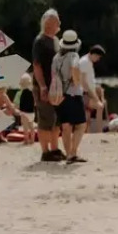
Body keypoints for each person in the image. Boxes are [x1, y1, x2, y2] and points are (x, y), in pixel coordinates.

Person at [32, 8, 64, 162]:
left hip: (56, 87)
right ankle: (45, 151)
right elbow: (37, 66)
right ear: (47, 23)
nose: (58, 24)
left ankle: (54, 148)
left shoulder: (56, 41)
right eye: (55, 21)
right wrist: (42, 86)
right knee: (45, 118)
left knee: (56, 119)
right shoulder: (40, 41)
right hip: (44, 86)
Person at [52, 29, 88, 163]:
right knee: (81, 125)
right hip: (73, 94)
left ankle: (68, 155)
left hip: (59, 95)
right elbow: (75, 68)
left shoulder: (56, 58)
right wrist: (77, 81)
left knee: (65, 126)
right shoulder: (74, 56)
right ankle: (73, 153)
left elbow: (54, 75)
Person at [79, 44, 106, 132]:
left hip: (88, 92)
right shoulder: (85, 62)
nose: (98, 59)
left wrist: (97, 88)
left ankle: (89, 133)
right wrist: (95, 97)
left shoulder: (88, 62)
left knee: (88, 115)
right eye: (98, 57)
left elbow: (89, 80)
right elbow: (83, 82)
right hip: (84, 93)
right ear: (94, 54)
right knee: (100, 107)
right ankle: (99, 131)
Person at [16, 72, 36, 145]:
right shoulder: (32, 92)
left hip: (24, 112)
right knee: (31, 127)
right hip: (32, 112)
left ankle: (26, 140)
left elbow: (21, 103)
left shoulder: (23, 92)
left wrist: (19, 110)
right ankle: (32, 140)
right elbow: (34, 102)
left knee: (25, 128)